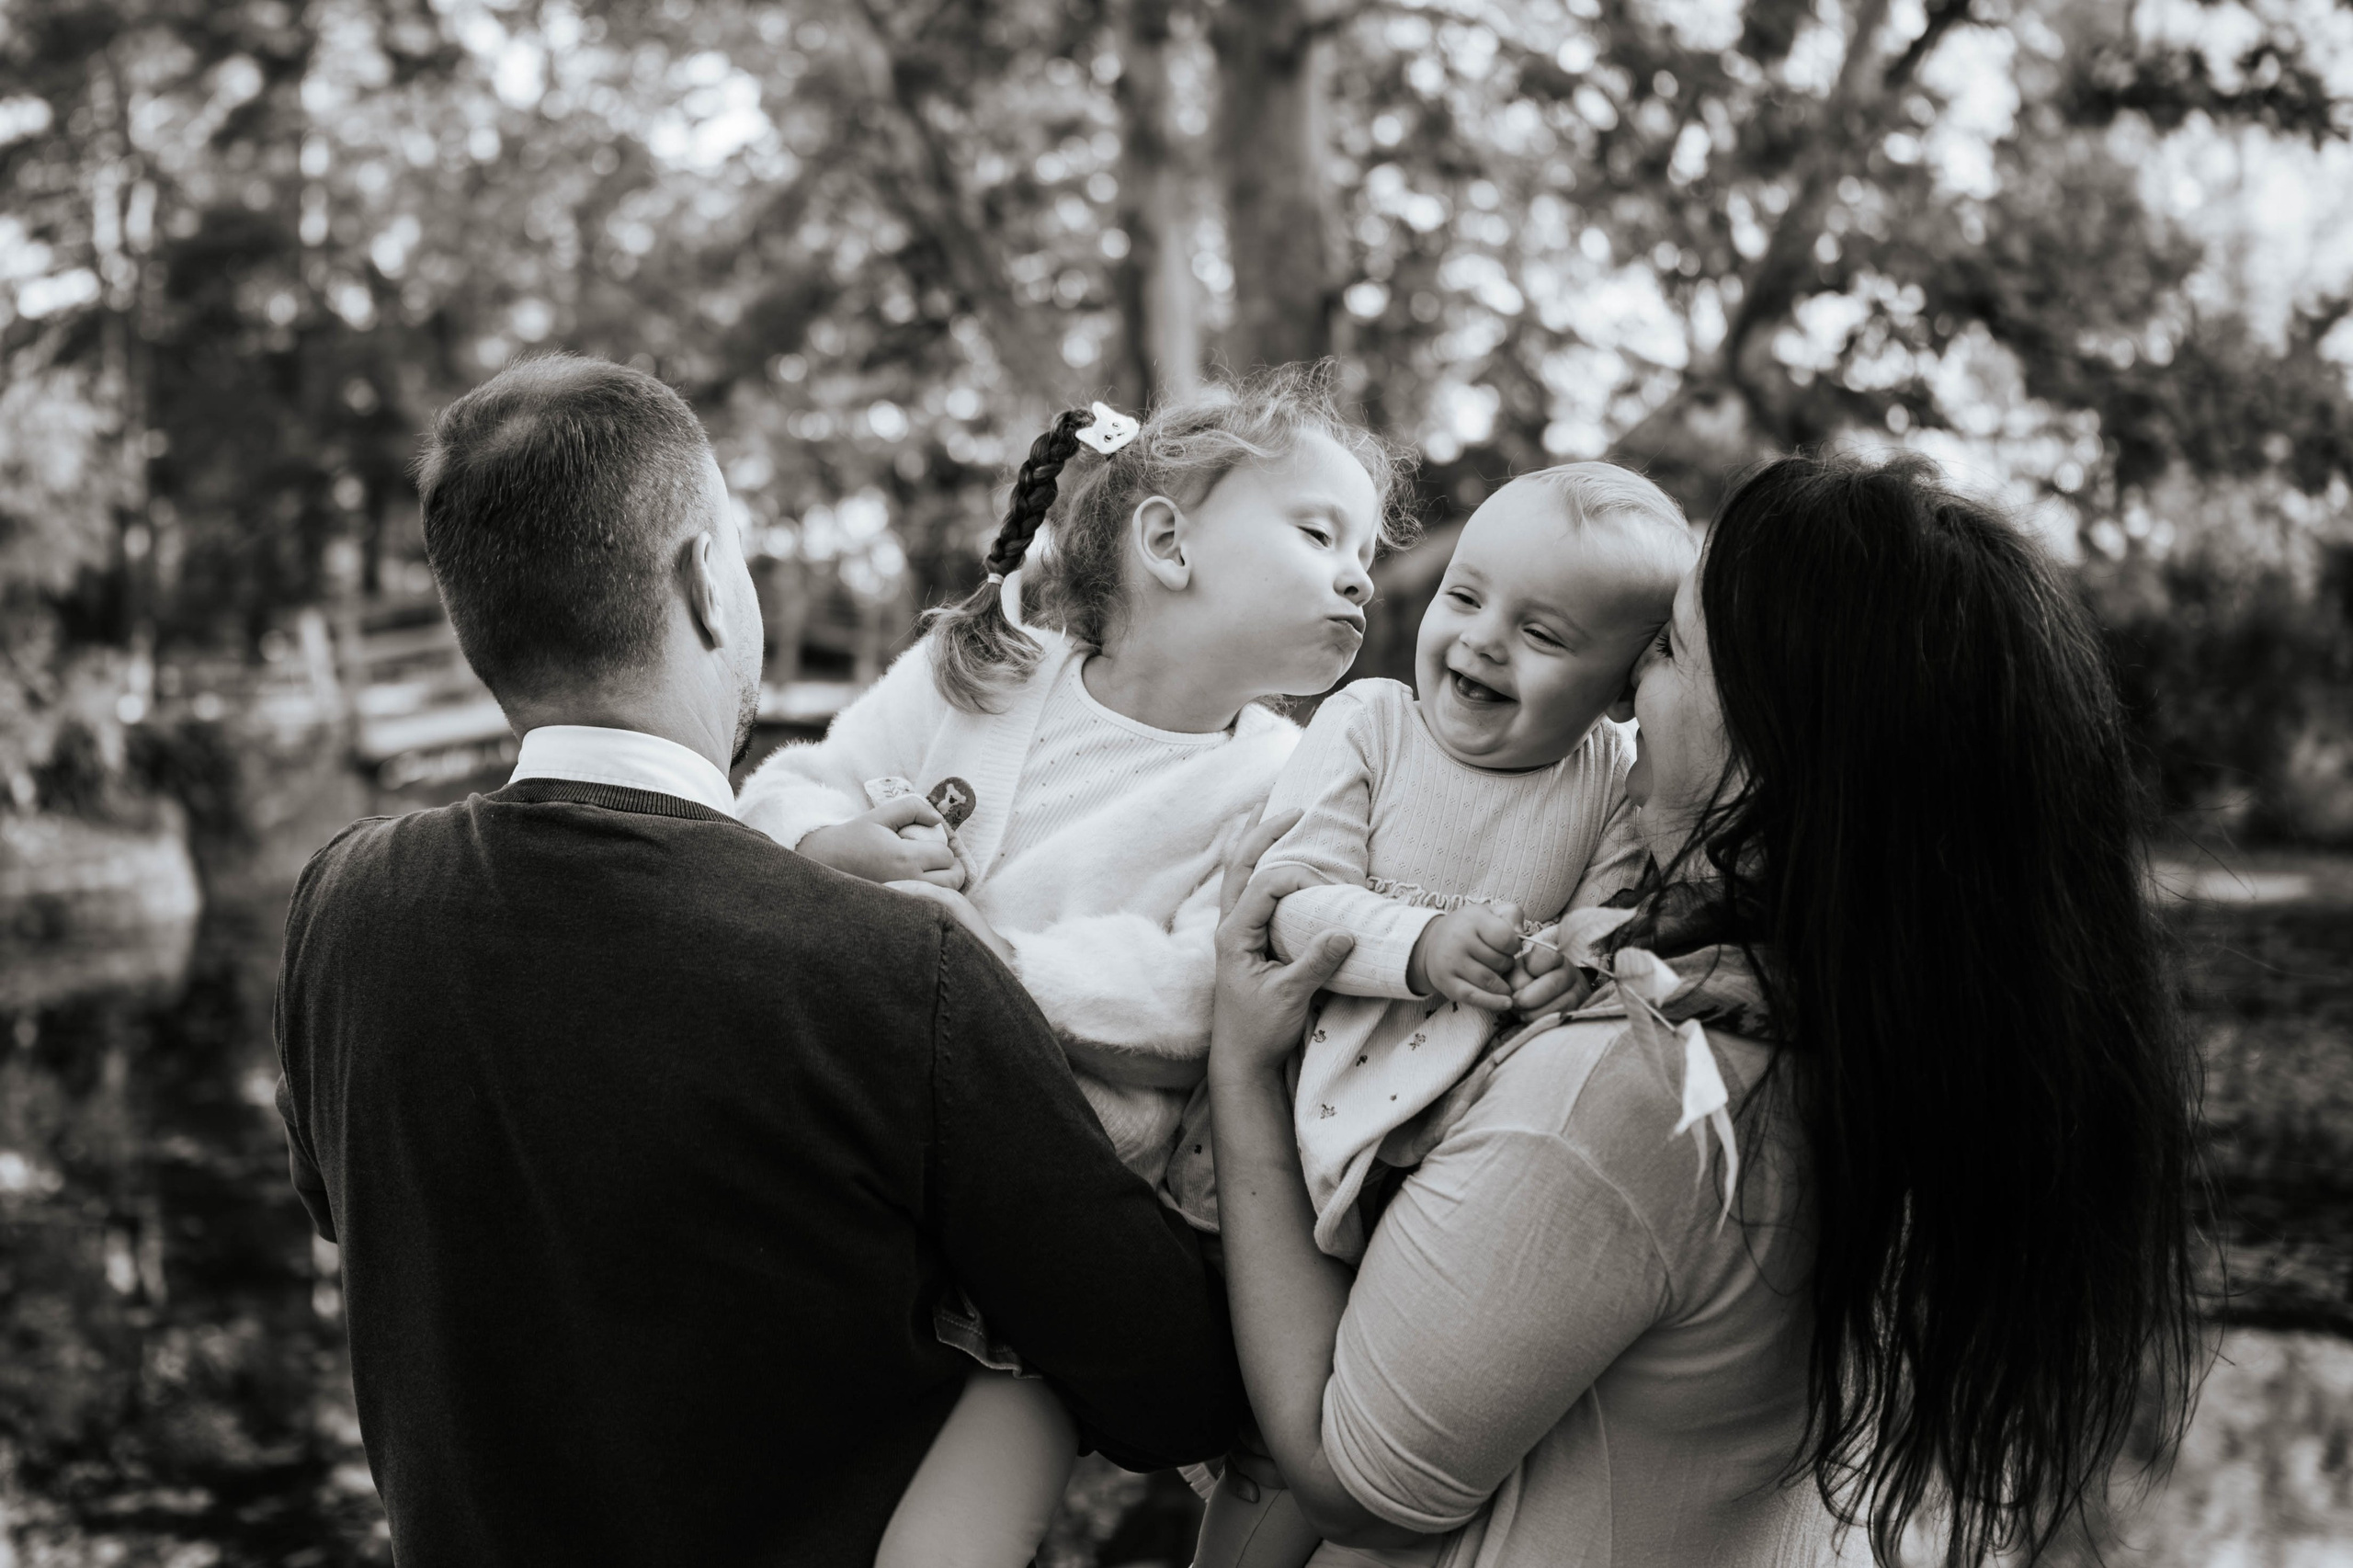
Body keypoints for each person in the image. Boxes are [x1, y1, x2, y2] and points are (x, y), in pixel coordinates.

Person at [269, 354, 1245, 1568]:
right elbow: (1177, 1384)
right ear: (704, 586)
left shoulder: (345, 905)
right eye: (734, 544)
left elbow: (358, 1211)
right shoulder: (899, 967)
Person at [1202, 452, 2203, 1565]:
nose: (1629, 688)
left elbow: (1355, 1486)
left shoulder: (1630, 1094)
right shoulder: (1900, 1046)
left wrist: (1242, 1072)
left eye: (1669, 648)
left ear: (1773, 755)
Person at [733, 364, 1409, 1568]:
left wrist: (983, 967)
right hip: (858, 1168)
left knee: (960, 1527)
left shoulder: (1284, 781)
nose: (1361, 570)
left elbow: (1195, 991)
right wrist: (830, 843)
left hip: (1050, 1231)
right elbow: (794, 780)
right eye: (1320, 532)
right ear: (1168, 541)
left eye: (1366, 547)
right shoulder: (984, 669)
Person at [1173, 462, 1693, 1568]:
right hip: (1304, 1128)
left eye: (1542, 632)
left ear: (1619, 690)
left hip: (1440, 1170)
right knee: (1265, 1444)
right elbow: (1290, 893)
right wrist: (1421, 945)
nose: (1481, 640)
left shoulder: (1607, 783)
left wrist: (1561, 963)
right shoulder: (1370, 724)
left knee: (1372, 1438)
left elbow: (1601, 924)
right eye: (1465, 596)